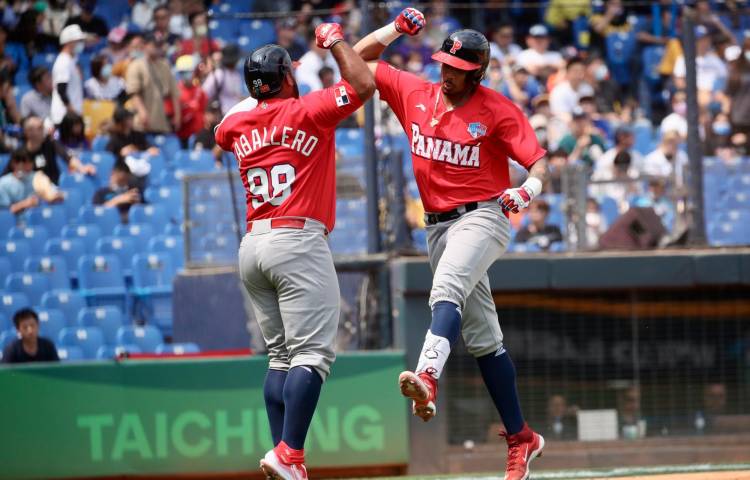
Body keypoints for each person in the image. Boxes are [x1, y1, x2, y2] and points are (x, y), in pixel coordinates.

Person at [354, 10, 546, 479]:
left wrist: (528, 189)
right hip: (437, 226)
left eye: (459, 70)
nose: (448, 74)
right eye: (444, 64)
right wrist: (395, 30)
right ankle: (523, 437)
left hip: (484, 215)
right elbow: (357, 60)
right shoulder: (415, 92)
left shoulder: (498, 109)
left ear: (478, 72)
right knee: (485, 339)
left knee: (447, 290)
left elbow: (540, 163)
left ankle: (427, 377)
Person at [214, 22, 375, 479]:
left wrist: (258, 96)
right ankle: (290, 454)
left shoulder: (239, 122)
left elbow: (220, 131)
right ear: (287, 78)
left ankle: (284, 457)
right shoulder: (308, 110)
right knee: (312, 356)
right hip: (296, 239)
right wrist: (335, 41)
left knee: (280, 357)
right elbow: (362, 84)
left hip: (253, 246)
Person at [125, 33, 181, 134]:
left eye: (160, 45)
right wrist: (142, 112)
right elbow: (134, 93)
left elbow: (174, 93)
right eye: (155, 45)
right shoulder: (136, 65)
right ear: (145, 45)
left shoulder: (165, 65)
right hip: (142, 125)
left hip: (163, 122)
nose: (158, 48)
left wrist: (177, 116)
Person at [23, 115, 94, 184]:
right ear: (28, 132)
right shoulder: (21, 153)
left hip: (55, 186)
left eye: (43, 126)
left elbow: (68, 158)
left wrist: (82, 168)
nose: (44, 130)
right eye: (40, 128)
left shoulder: (51, 144)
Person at [0, 149, 63, 214]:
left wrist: (55, 197)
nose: (28, 165)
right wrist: (24, 204)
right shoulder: (3, 183)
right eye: (24, 162)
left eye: (30, 161)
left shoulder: (38, 178)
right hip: (15, 222)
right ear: (14, 163)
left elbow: (54, 195)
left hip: (38, 218)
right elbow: (4, 214)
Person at [51, 24, 87, 126]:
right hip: (65, 118)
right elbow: (61, 89)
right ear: (69, 42)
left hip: (72, 117)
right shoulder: (63, 61)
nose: (81, 44)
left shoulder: (71, 60)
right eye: (78, 40)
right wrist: (72, 112)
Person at [202, 44, 249, 116]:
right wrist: (208, 112)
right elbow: (204, 94)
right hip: (222, 115)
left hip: (235, 114)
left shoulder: (236, 74)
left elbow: (236, 96)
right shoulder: (219, 74)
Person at [174, 55, 207, 145]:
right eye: (182, 72)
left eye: (188, 72)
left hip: (199, 136)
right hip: (182, 137)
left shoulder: (200, 91)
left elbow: (204, 111)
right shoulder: (175, 92)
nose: (186, 75)